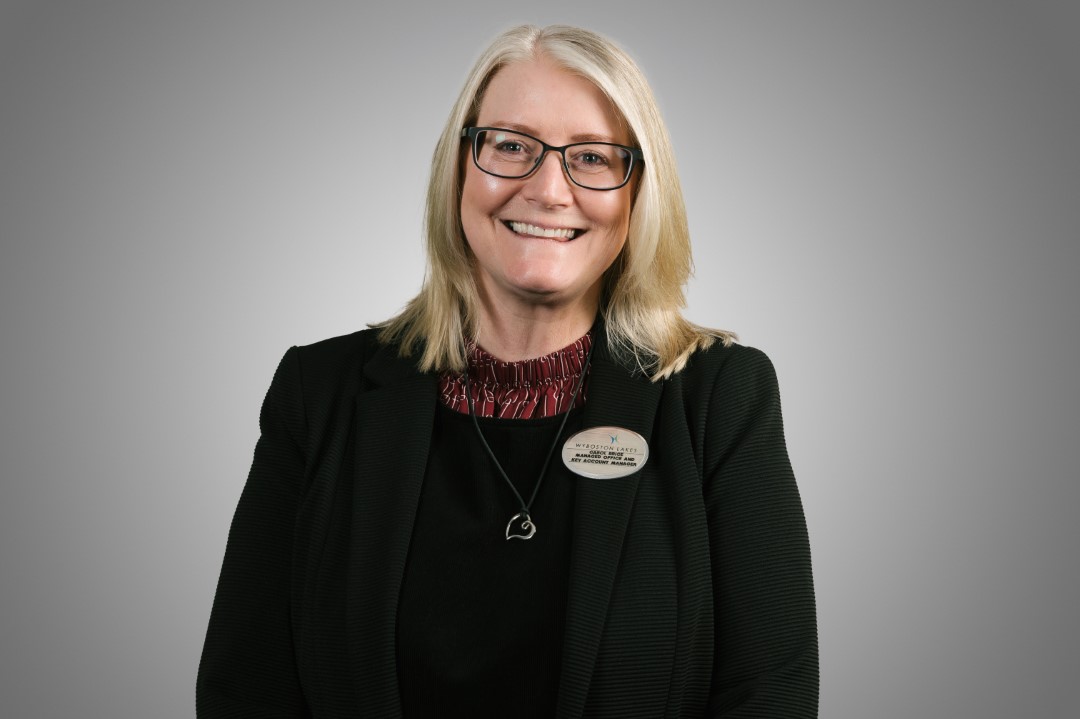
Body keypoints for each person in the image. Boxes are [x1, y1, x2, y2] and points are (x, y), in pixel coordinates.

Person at [197, 24, 818, 718]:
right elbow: (242, 692)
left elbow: (771, 695)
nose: (549, 190)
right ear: (460, 165)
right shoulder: (317, 395)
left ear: (638, 192)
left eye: (592, 156)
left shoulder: (720, 400)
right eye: (512, 146)